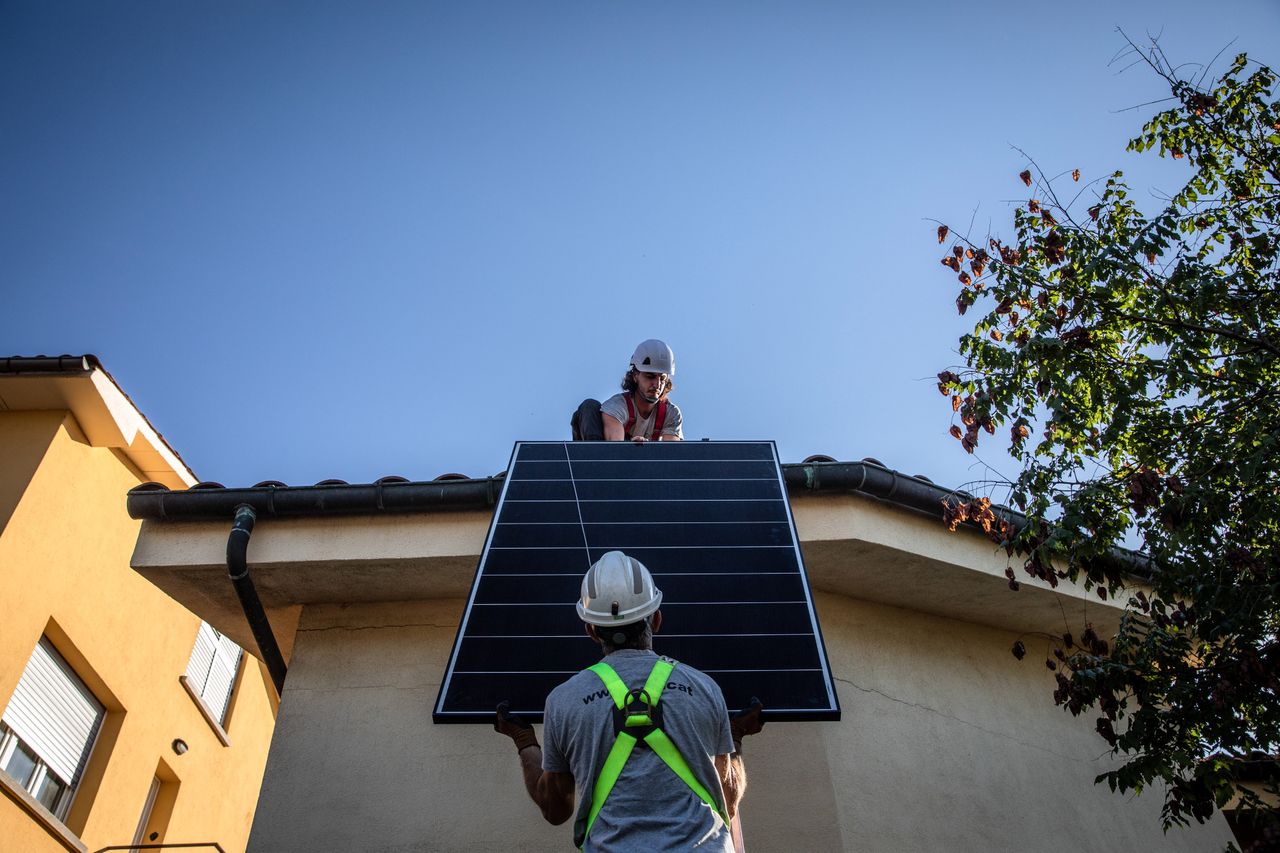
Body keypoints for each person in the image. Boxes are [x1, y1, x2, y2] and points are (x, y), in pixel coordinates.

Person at [494, 551, 764, 851]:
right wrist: (735, 736)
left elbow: (555, 810)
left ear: (590, 631)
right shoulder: (704, 688)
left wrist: (524, 741)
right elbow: (727, 797)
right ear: (657, 619)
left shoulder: (563, 701)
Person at [572, 339, 684, 442]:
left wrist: (647, 451)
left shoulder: (671, 413)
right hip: (610, 456)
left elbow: (670, 453)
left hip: (649, 460)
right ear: (635, 376)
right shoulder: (616, 406)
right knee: (589, 406)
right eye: (650, 376)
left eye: (663, 379)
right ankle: (592, 459)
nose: (657, 384)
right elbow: (616, 449)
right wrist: (632, 451)